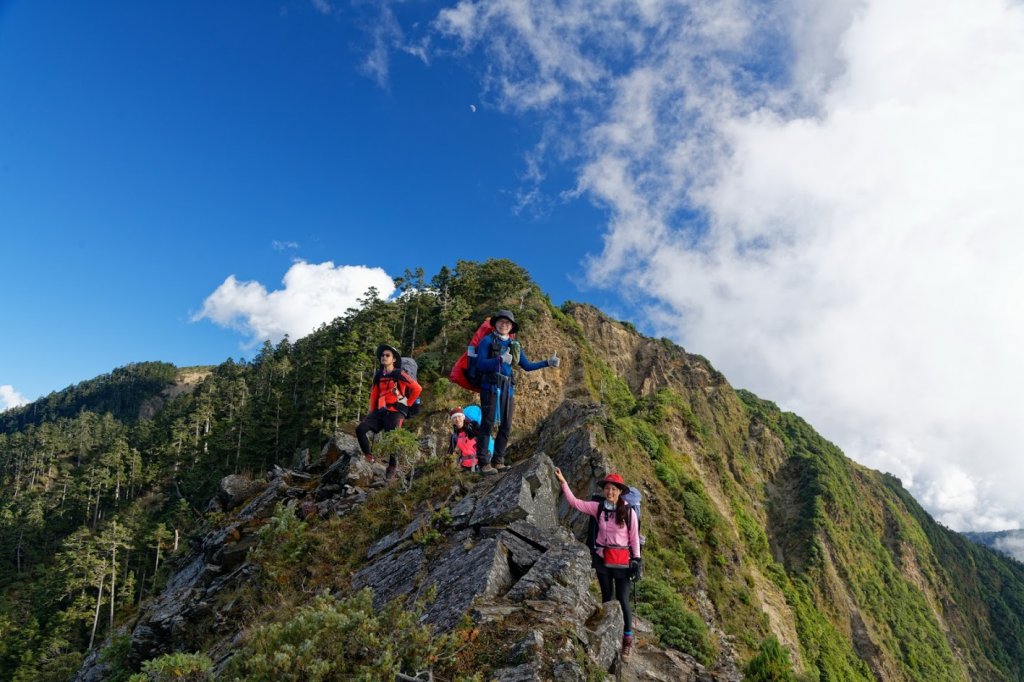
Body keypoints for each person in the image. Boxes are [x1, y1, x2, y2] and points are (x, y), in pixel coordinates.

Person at [553, 467, 641, 660]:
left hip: (623, 562)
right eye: (607, 489)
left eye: (614, 489)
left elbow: (634, 539)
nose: (610, 492)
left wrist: (637, 561)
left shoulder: (628, 512)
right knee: (607, 598)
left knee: (624, 601)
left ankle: (627, 641)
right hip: (602, 559)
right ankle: (607, 635)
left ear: (620, 492)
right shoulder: (598, 507)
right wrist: (563, 482)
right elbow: (575, 503)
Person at [474, 310, 558, 474]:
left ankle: (498, 461)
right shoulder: (487, 341)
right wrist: (499, 360)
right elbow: (480, 364)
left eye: (507, 323)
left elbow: (526, 366)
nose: (504, 325)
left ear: (511, 327)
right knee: (488, 424)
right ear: (496, 323)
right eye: (501, 322)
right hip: (490, 386)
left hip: (507, 387)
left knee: (506, 425)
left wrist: (548, 362)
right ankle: (484, 463)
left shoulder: (514, 345)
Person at [356, 344, 422, 480]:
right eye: (382, 355)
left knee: (393, 439)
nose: (384, 357)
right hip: (380, 411)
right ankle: (368, 456)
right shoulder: (379, 375)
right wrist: (370, 413)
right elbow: (374, 395)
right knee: (360, 429)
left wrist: (408, 404)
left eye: (387, 355)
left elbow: (417, 388)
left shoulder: (400, 374)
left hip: (396, 411)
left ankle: (392, 468)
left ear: (394, 359)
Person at [447, 407, 479, 471]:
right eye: (454, 418)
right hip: (464, 466)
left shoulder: (473, 426)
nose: (457, 419)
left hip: (478, 463)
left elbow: (484, 439)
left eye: (459, 416)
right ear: (452, 421)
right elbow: (450, 452)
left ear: (463, 417)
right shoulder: (454, 436)